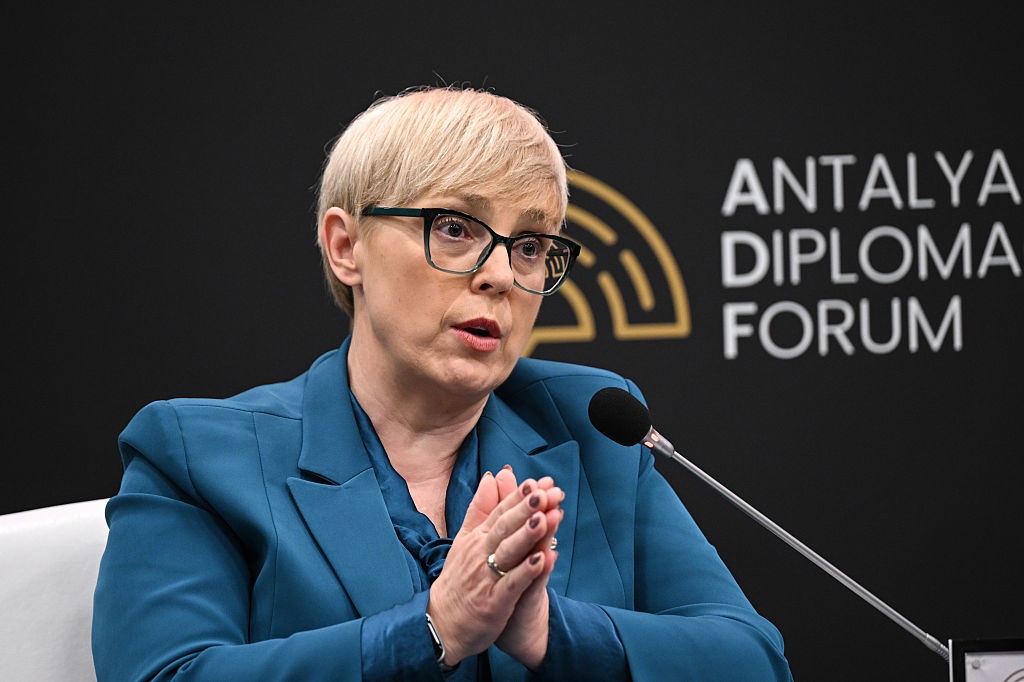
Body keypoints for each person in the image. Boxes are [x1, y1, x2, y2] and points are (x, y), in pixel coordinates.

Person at [92, 85, 793, 681]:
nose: (500, 275)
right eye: (456, 228)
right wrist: (432, 630)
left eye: (529, 245)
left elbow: (751, 659)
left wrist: (552, 633)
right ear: (346, 246)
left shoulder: (589, 428)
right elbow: (167, 673)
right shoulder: (200, 456)